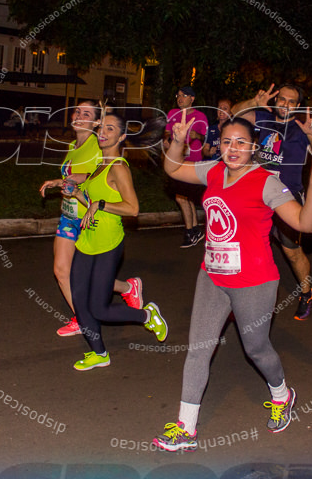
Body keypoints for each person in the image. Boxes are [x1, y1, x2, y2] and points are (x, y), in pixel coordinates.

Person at [152, 113, 312, 450]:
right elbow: (173, 169)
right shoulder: (213, 170)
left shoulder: (267, 182)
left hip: (254, 282)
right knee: (198, 351)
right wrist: (177, 141)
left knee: (256, 349)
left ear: (253, 147)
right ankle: (186, 429)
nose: (232, 148)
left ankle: (282, 395)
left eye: (240, 143)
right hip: (212, 276)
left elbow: (305, 224)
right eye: (226, 142)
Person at [69, 112, 168, 371]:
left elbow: (132, 208)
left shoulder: (119, 168)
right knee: (80, 300)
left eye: (110, 129)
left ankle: (147, 315)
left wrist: (100, 203)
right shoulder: (99, 165)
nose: (103, 132)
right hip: (86, 239)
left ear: (121, 136)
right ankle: (99, 353)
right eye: (101, 127)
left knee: (99, 308)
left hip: (108, 243)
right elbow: (94, 205)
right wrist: (75, 191)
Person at [39, 100, 141, 337]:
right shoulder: (74, 144)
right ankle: (82, 318)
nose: (78, 115)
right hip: (68, 214)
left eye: (86, 113)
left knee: (84, 275)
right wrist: (61, 182)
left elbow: (98, 171)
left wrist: (73, 182)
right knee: (61, 270)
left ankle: (125, 289)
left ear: (97, 122)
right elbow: (80, 173)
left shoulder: (98, 143)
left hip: (88, 215)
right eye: (77, 111)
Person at [230, 83, 312, 320]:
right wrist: (253, 102)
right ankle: (241, 295)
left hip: (287, 196)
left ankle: (307, 292)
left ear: (298, 105)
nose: (285, 104)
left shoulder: (302, 127)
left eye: (291, 101)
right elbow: (235, 114)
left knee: (291, 251)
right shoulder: (262, 117)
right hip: (257, 194)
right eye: (282, 99)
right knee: (244, 245)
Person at [164, 86, 208, 248]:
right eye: (178, 95)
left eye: (184, 95)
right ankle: (195, 230)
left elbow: (206, 139)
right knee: (185, 197)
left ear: (192, 99)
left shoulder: (200, 116)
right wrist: (168, 143)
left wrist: (198, 136)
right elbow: (167, 134)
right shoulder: (172, 113)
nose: (180, 98)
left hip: (192, 162)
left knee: (181, 197)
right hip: (176, 161)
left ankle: (190, 232)